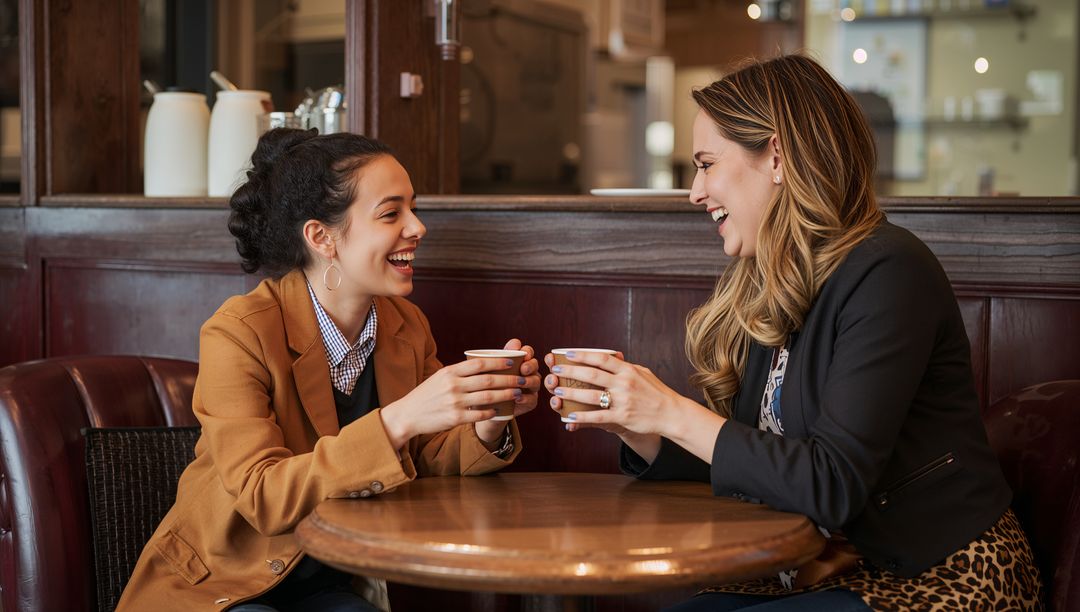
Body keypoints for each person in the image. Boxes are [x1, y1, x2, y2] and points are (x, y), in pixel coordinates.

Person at [543, 55, 1041, 611]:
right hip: (830, 567)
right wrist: (639, 426)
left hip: (940, 577)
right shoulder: (780, 277)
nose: (694, 191)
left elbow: (830, 482)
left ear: (776, 156)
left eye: (706, 164)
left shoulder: (888, 271)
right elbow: (762, 460)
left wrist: (669, 411)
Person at [118, 128, 540, 611]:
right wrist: (400, 419)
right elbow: (262, 495)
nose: (418, 227)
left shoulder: (406, 325)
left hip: (330, 584)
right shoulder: (239, 331)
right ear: (322, 237)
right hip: (222, 586)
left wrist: (487, 420)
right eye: (391, 213)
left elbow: (428, 458)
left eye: (413, 208)